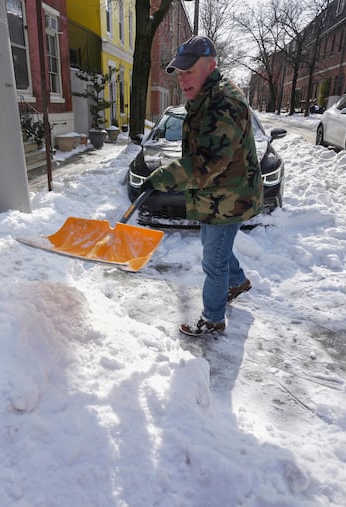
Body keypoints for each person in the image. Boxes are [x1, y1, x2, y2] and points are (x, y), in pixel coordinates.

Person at [139, 35, 261, 337]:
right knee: (214, 247)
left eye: (188, 71)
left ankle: (213, 319)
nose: (182, 80)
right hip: (216, 194)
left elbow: (209, 161)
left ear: (211, 65)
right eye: (179, 74)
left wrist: (166, 176)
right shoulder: (206, 95)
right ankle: (237, 282)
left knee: (213, 261)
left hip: (229, 196)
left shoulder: (224, 103)